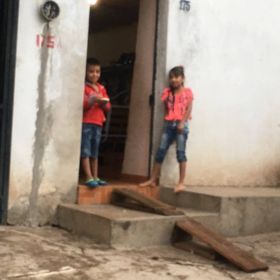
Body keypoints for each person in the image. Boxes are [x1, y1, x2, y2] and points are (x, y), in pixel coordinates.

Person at [140, 66, 193, 193]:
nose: (174, 80)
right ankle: (152, 179)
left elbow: (188, 109)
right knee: (160, 152)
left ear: (182, 78)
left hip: (181, 125)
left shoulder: (187, 92)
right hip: (169, 124)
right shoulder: (167, 93)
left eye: (176, 77)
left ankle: (181, 183)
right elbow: (166, 109)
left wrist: (181, 122)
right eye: (171, 77)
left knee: (180, 153)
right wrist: (168, 121)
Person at [81, 58, 111, 188]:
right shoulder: (84, 88)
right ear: (86, 72)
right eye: (91, 71)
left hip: (98, 122)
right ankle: (88, 176)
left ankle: (96, 176)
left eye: (97, 72)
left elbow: (108, 107)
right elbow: (83, 105)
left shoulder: (101, 88)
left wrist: (103, 103)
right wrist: (91, 101)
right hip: (87, 122)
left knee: (95, 150)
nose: (95, 74)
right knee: (86, 149)